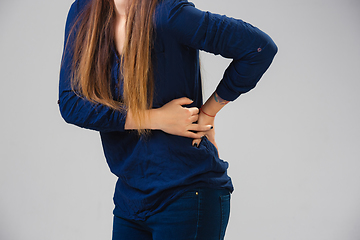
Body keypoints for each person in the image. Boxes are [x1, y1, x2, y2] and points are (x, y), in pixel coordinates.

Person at [58, 0, 277, 239]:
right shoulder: (84, 11)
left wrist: (209, 111)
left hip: (187, 193)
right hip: (130, 197)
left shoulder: (167, 14)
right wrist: (155, 118)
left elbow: (259, 48)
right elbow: (72, 104)